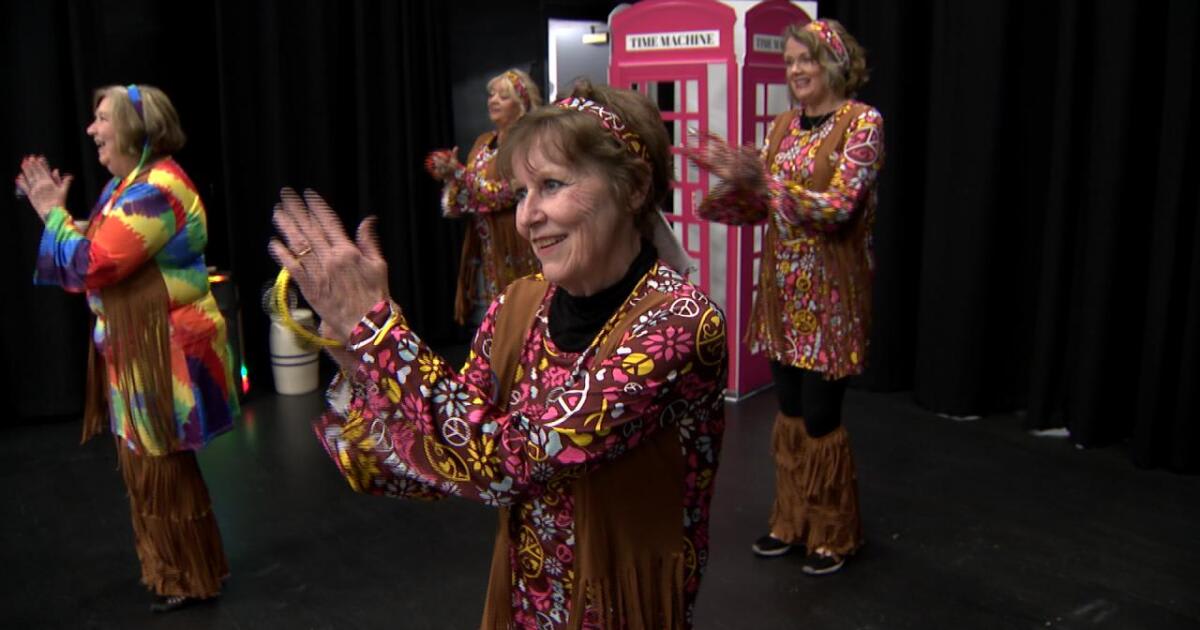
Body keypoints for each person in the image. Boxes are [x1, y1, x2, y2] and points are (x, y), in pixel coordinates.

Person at [270, 82, 728, 628]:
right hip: (526, 602)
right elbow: (443, 460)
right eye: (521, 193)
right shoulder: (519, 304)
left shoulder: (680, 322)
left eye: (552, 186)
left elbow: (511, 462)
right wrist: (357, 361)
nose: (526, 217)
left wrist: (380, 335)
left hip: (620, 606)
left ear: (633, 190)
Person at [16, 84, 239, 611]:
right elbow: (97, 243)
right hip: (139, 348)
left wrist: (51, 213)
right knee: (152, 463)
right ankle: (184, 569)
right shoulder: (129, 185)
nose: (92, 130)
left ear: (137, 129)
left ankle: (186, 575)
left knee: (159, 464)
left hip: (164, 353)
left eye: (102, 119)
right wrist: (52, 215)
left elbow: (94, 263)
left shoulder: (155, 190)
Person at [688, 19, 884, 575]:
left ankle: (834, 531)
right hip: (780, 292)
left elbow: (836, 208)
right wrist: (724, 186)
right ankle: (791, 520)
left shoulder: (862, 123)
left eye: (809, 60)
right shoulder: (781, 126)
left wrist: (762, 180)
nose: (796, 70)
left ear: (837, 65)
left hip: (832, 299)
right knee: (791, 412)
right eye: (791, 60)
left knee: (822, 418)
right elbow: (759, 209)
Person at [426, 68, 542, 325]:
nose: (493, 101)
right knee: (488, 323)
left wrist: (459, 174)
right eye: (491, 95)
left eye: (503, 96)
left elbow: (505, 194)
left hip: (515, 244)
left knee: (521, 318)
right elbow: (463, 201)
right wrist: (451, 176)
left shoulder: (529, 143)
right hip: (485, 249)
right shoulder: (482, 143)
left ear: (521, 104)